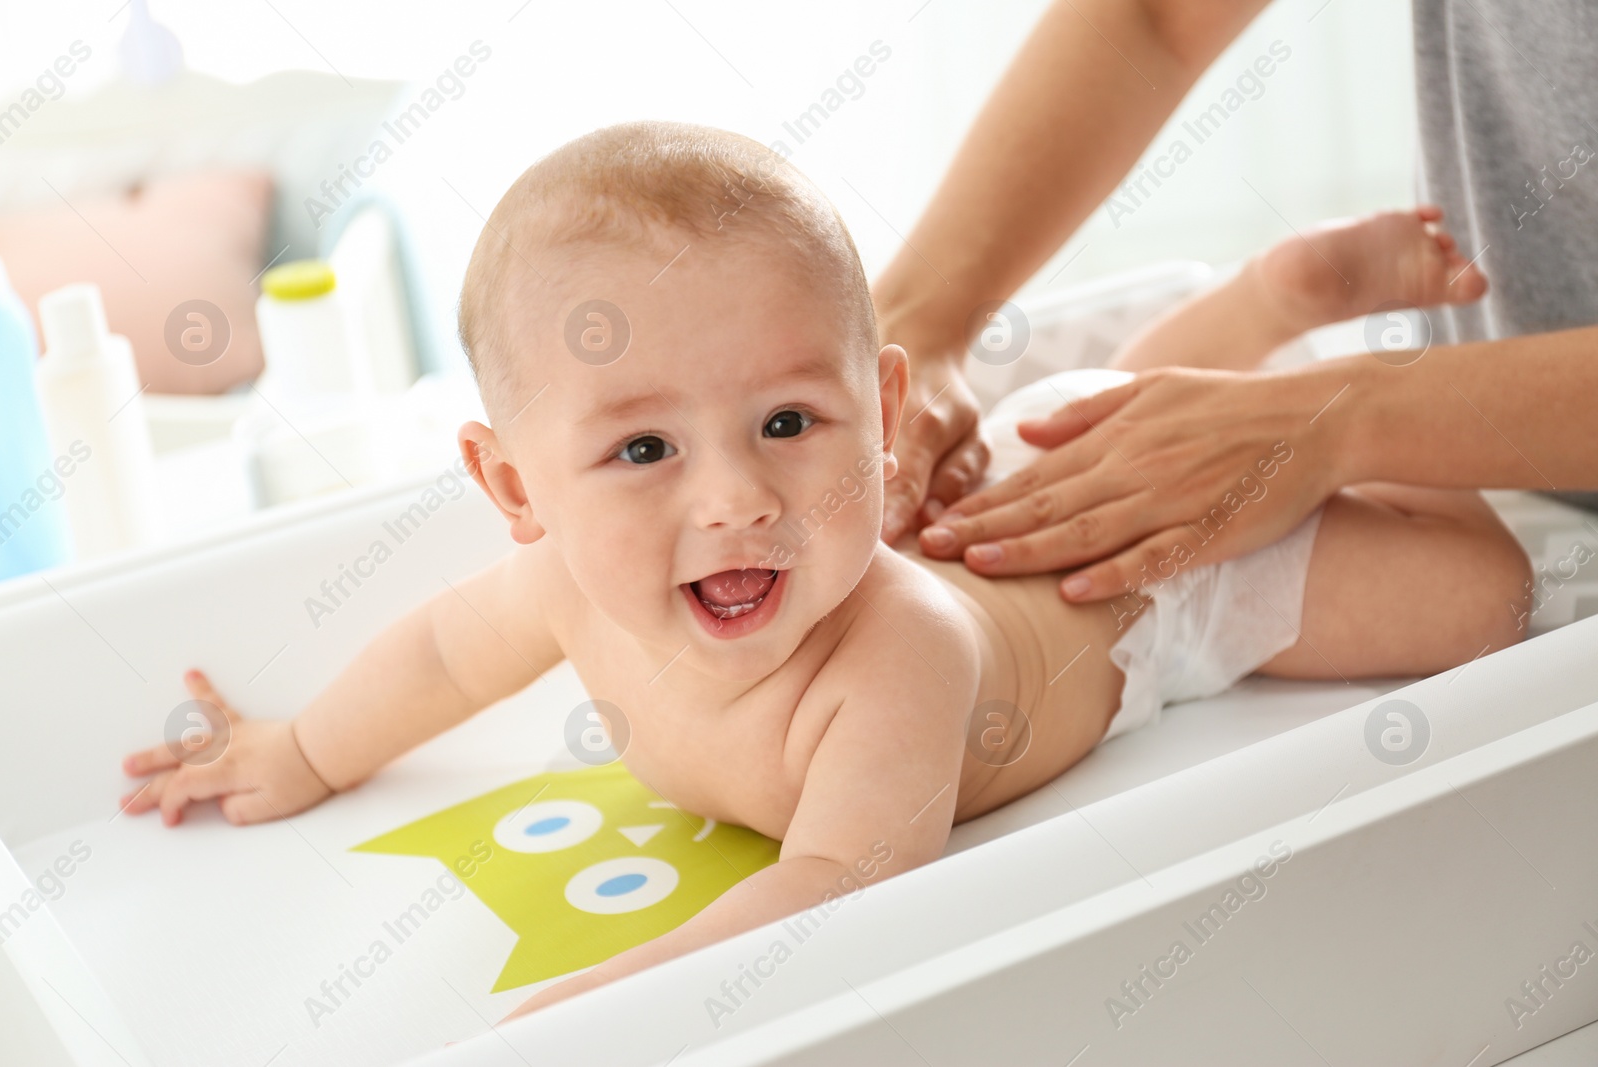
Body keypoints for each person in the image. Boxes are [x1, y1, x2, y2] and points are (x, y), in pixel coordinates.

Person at [116, 124, 1526, 1022]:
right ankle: (1265, 310)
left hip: (1156, 593)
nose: (736, 501)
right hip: (1024, 482)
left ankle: (1325, 377)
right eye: (645, 447)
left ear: (882, 404)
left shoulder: (892, 654)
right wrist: (302, 745)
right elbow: (435, 656)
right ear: (513, 488)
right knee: (1073, 438)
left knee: (1484, 596)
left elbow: (838, 881)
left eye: (791, 423)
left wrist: (603, 1002)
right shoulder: (563, 588)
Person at [878, 0, 1598, 603]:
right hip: (1469, 425)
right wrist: (916, 320)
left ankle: (1268, 307)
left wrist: (1341, 421)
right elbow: (1158, 17)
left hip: (1454, 434)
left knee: (1475, 587)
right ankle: (1267, 303)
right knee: (1126, 413)